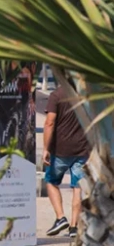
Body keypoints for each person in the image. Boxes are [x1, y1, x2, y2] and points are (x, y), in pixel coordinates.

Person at [43, 79, 91, 238]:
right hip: (83, 149)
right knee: (78, 187)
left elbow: (50, 123)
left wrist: (45, 148)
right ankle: (73, 227)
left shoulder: (57, 95)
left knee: (51, 181)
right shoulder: (85, 95)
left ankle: (60, 217)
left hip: (60, 150)